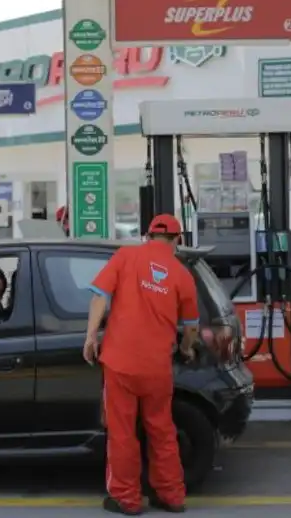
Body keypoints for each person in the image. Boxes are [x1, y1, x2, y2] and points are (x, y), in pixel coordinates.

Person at [84, 214, 200, 515]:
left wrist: (90, 337)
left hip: (120, 363)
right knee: (161, 430)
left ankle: (126, 498)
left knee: (122, 432)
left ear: (147, 236)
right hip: (157, 368)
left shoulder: (126, 256)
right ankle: (172, 496)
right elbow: (191, 329)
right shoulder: (182, 275)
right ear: (178, 240)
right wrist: (186, 350)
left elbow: (99, 297)